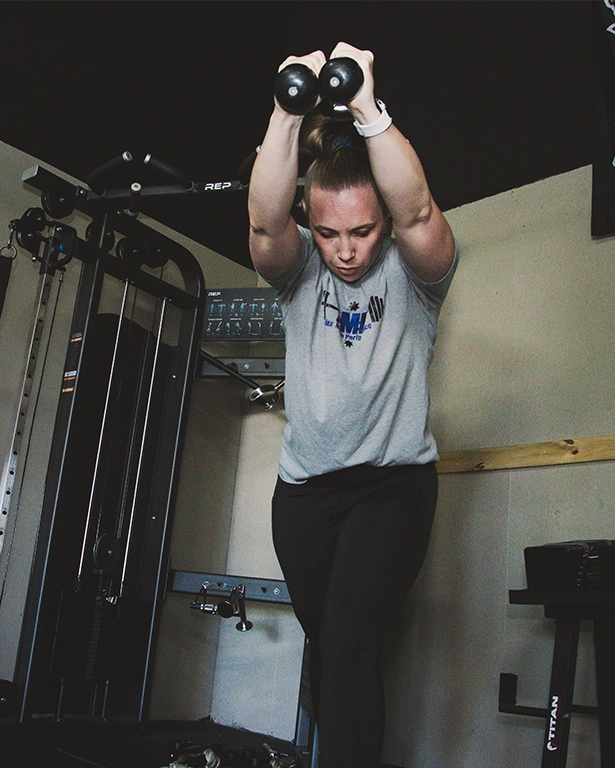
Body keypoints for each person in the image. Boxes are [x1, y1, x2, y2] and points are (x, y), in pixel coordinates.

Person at [247, 42, 459, 768]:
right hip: (303, 494)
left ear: (383, 223)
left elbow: (421, 208)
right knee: (336, 650)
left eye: (363, 231)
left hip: (392, 485)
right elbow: (267, 227)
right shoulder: (299, 271)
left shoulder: (417, 273)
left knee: (349, 644)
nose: (345, 251)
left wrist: (366, 106)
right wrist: (286, 112)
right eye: (330, 232)